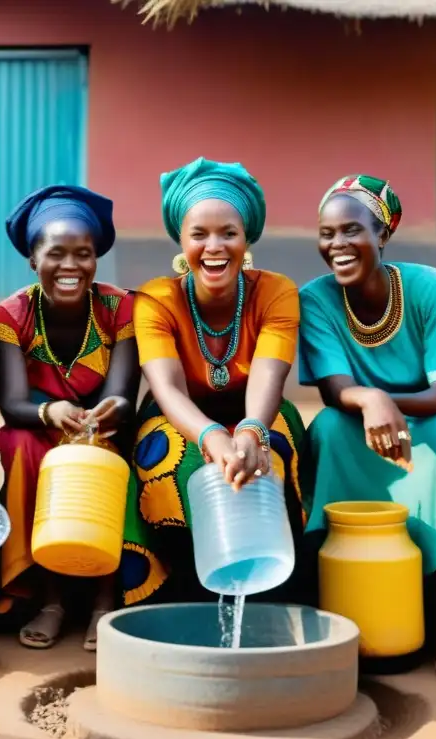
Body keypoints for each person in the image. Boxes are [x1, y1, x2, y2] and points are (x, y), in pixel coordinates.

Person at [298, 175, 436, 676]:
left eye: (352, 230)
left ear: (382, 234)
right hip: (358, 417)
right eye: (326, 233)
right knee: (325, 429)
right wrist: (371, 400)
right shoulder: (317, 298)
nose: (337, 245)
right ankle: (339, 602)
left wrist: (387, 402)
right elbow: (332, 391)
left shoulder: (428, 286)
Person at [120, 157, 307, 606]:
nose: (214, 247)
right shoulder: (155, 299)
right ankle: (181, 591)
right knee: (170, 460)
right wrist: (209, 436)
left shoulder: (276, 292)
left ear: (247, 239)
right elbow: (166, 388)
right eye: (198, 235)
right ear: (180, 242)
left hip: (258, 408)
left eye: (229, 233)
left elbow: (269, 373)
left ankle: (273, 592)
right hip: (178, 413)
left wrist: (250, 431)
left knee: (272, 454)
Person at [0, 185, 138, 651]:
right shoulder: (10, 314)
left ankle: (104, 602)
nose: (71, 266)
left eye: (83, 254)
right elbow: (12, 404)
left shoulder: (121, 307)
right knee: (14, 442)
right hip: (43, 432)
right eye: (56, 253)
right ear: (33, 259)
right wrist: (51, 410)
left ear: (96, 259)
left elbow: (124, 394)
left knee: (112, 450)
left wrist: (109, 415)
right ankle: (50, 600)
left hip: (104, 431)